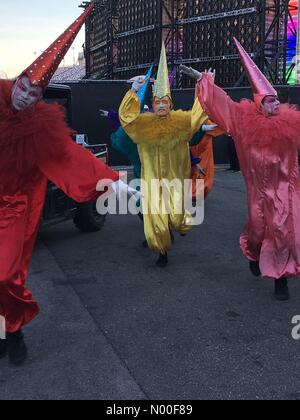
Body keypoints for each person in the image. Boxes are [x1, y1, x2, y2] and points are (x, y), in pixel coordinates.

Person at [0, 3, 137, 366]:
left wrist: (116, 185)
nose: (24, 95)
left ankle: (13, 328)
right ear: (17, 82)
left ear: (38, 99)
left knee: (5, 274)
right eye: (23, 87)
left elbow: (73, 159)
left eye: (33, 93)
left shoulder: (39, 132)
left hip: (14, 208)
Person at [182, 37, 300, 301]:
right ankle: (255, 253)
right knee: (258, 230)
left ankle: (281, 279)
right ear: (259, 103)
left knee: (283, 233)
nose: (274, 104)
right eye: (268, 100)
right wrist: (205, 82)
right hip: (257, 194)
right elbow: (222, 105)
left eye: (275, 100)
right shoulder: (243, 123)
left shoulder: (290, 125)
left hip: (284, 192)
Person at [119, 43, 208, 267]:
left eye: (164, 102)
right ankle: (162, 252)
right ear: (152, 103)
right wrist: (133, 91)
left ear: (170, 104)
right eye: (157, 101)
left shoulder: (181, 123)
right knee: (155, 218)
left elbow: (198, 115)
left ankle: (178, 227)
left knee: (178, 218)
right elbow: (126, 119)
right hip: (151, 182)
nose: (160, 105)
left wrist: (204, 83)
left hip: (175, 181)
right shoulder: (142, 126)